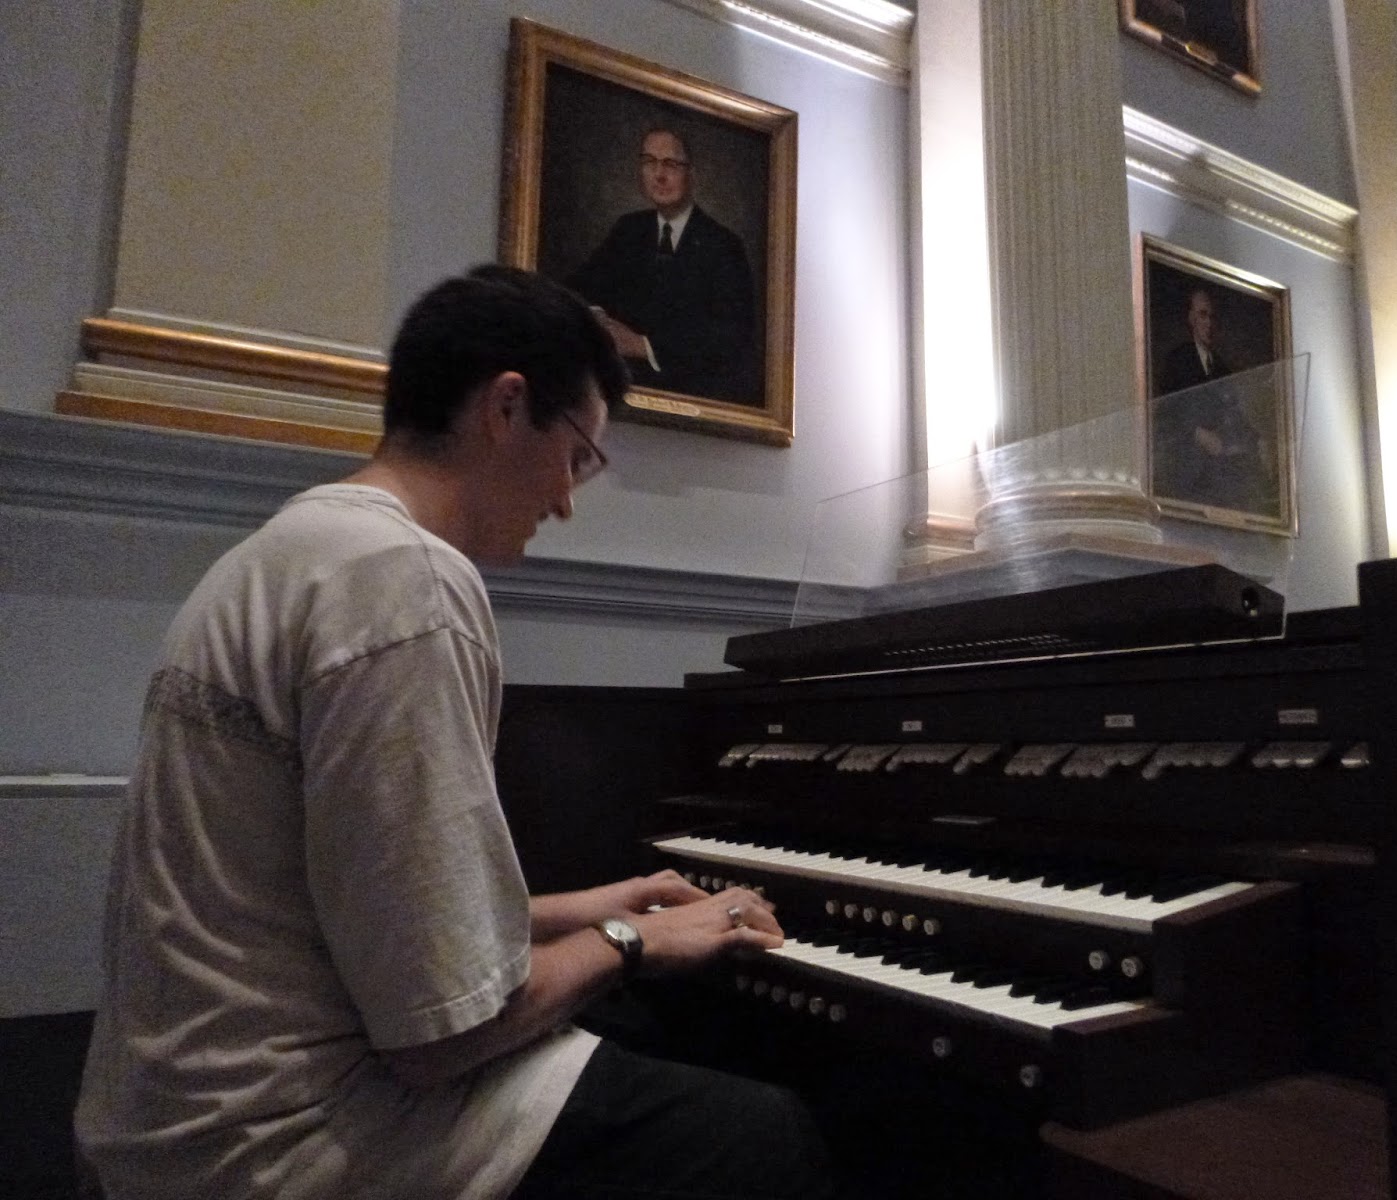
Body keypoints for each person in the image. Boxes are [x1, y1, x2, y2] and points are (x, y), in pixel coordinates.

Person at [74, 265, 836, 1200]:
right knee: (759, 1136)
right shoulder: (405, 581)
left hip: (163, 1123)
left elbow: (350, 911)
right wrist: (637, 938)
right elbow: (443, 1033)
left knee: (639, 1032)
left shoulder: (285, 553)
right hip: (279, 1142)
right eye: (579, 457)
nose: (566, 502)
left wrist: (596, 904)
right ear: (507, 407)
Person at [568, 128, 759, 405]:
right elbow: (580, 288)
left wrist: (644, 346)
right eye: (649, 162)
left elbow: (729, 338)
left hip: (692, 396)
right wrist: (598, 319)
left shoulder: (723, 245)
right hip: (622, 391)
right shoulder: (628, 230)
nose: (659, 175)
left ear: (691, 174)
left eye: (671, 164)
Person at [1152, 285, 1270, 512]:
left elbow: (1234, 413)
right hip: (1188, 463)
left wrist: (1258, 440)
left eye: (1212, 317)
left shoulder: (1222, 369)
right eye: (1203, 315)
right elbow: (1166, 414)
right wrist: (1197, 433)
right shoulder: (1178, 360)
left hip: (1218, 464)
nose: (1209, 323)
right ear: (1191, 318)